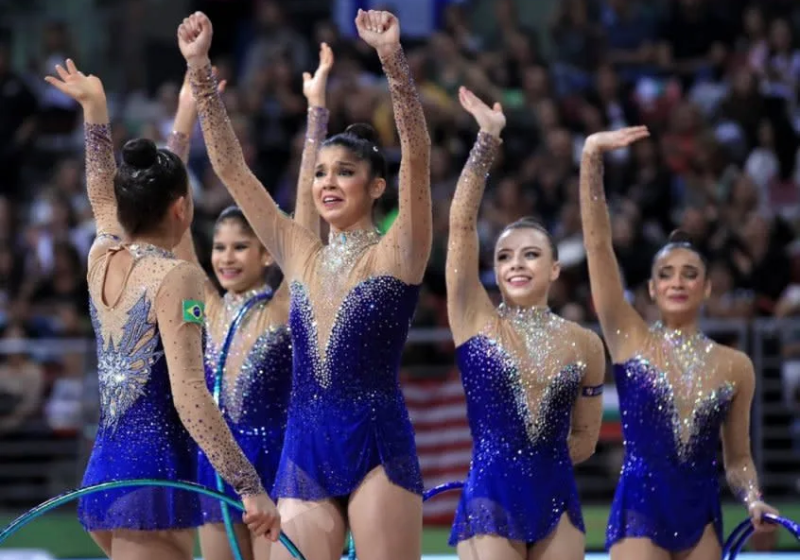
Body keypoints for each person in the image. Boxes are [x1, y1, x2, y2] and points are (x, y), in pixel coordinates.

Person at [179, 9, 431, 560]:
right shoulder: (300, 252)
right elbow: (232, 171)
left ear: (377, 186)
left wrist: (391, 58)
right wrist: (200, 70)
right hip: (303, 449)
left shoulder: (400, 250)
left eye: (344, 172)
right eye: (320, 172)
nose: (328, 183)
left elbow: (417, 156)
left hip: (376, 442)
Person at [44, 59, 279, 560]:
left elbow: (103, 195)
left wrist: (96, 112)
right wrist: (249, 486)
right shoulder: (179, 277)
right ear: (181, 209)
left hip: (108, 472)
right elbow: (190, 394)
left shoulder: (99, 255)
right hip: (152, 479)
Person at [577, 126, 778, 559]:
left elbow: (738, 460)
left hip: (701, 513)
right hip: (640, 509)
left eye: (690, 273)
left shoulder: (736, 365)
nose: (677, 282)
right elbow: (597, 245)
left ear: (707, 288)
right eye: (666, 274)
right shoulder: (629, 337)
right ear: (651, 289)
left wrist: (752, 497)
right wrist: (591, 157)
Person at [167, 45, 333, 560]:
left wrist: (316, 113)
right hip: (218, 462)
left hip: (278, 458)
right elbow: (172, 225)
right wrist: (185, 117)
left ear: (267, 256)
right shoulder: (209, 307)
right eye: (219, 247)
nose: (226, 257)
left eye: (241, 247)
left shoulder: (283, 304)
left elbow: (306, 218)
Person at [446, 86, 605, 560]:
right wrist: (485, 142)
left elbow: (587, 439)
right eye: (505, 257)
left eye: (531, 255)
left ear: (555, 269)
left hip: (558, 503)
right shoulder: (474, 320)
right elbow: (459, 227)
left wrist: (541, 460)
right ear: (494, 270)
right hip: (491, 499)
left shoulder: (585, 344)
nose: (517, 264)